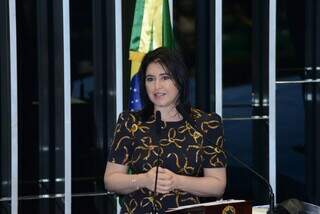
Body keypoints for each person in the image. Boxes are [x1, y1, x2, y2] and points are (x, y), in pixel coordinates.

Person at [104, 47, 227, 213]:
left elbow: (217, 185)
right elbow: (111, 180)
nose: (156, 86)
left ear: (180, 80)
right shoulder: (130, 122)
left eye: (165, 78)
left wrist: (176, 181)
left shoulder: (206, 124)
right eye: (150, 79)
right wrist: (144, 179)